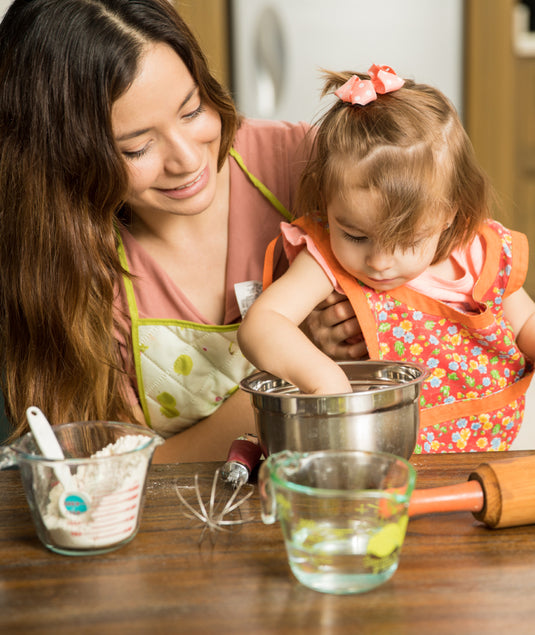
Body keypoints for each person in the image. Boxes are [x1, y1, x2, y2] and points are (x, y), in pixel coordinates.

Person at [0, 0, 361, 461]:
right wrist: (294, 367)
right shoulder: (67, 267)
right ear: (66, 159)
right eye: (137, 148)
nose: (189, 160)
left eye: (192, 111)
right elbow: (113, 472)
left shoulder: (305, 166)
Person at [238, 64, 535, 453]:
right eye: (355, 235)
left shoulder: (480, 252)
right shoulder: (326, 258)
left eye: (407, 240)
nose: (378, 262)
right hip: (382, 459)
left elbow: (525, 323)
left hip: (496, 451)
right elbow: (260, 325)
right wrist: (325, 382)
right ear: (326, 204)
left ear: (449, 214)